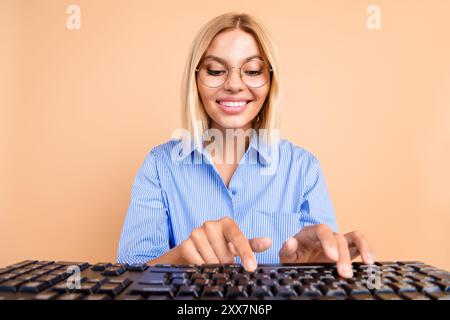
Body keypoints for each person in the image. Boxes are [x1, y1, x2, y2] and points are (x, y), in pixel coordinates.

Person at [117, 12, 375, 278]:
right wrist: (180, 256)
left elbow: (323, 266)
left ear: (270, 80)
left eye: (252, 71)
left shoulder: (303, 168)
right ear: (195, 79)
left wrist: (316, 269)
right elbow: (129, 277)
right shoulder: (160, 165)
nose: (233, 85)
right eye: (216, 71)